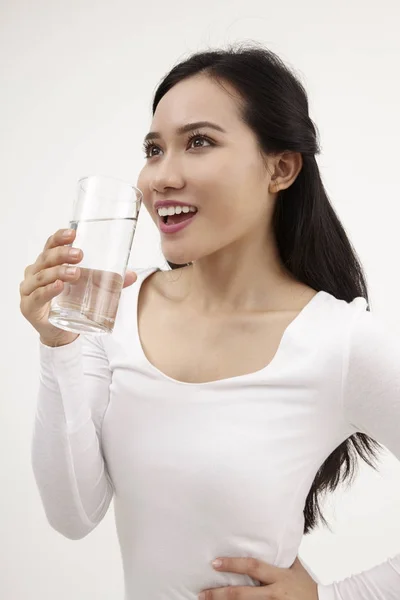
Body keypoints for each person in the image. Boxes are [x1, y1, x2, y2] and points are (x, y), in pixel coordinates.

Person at [20, 43, 400, 600]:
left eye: (198, 142)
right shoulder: (116, 309)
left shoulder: (339, 342)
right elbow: (73, 513)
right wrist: (58, 346)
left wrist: (335, 597)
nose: (161, 178)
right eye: (154, 149)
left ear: (281, 168)